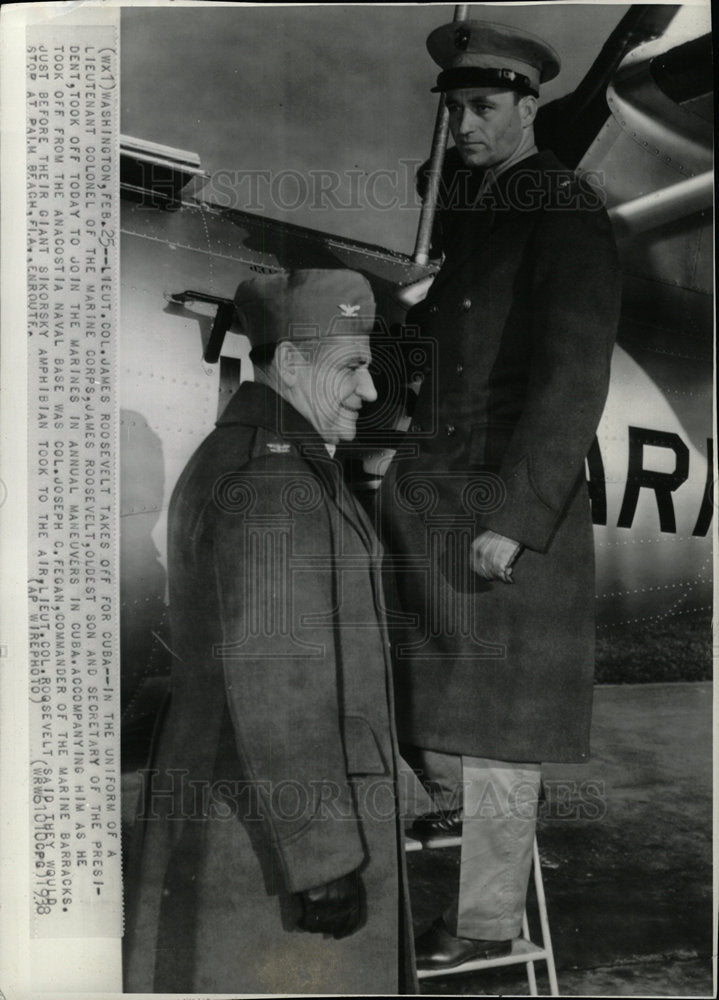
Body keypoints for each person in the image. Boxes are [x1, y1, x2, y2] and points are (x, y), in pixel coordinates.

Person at [378, 20, 622, 970]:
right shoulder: (478, 215)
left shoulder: (560, 206)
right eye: (455, 110)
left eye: (484, 107)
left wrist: (516, 522)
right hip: (435, 501)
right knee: (427, 695)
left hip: (497, 518)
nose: (465, 126)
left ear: (528, 105)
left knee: (499, 736)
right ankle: (440, 864)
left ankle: (482, 920)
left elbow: (570, 376)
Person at [123, 269, 417, 994]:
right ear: (290, 364)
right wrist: (322, 861)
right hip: (273, 839)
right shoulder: (275, 483)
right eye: (350, 367)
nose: (369, 391)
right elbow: (278, 682)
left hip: (242, 802)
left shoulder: (256, 458)